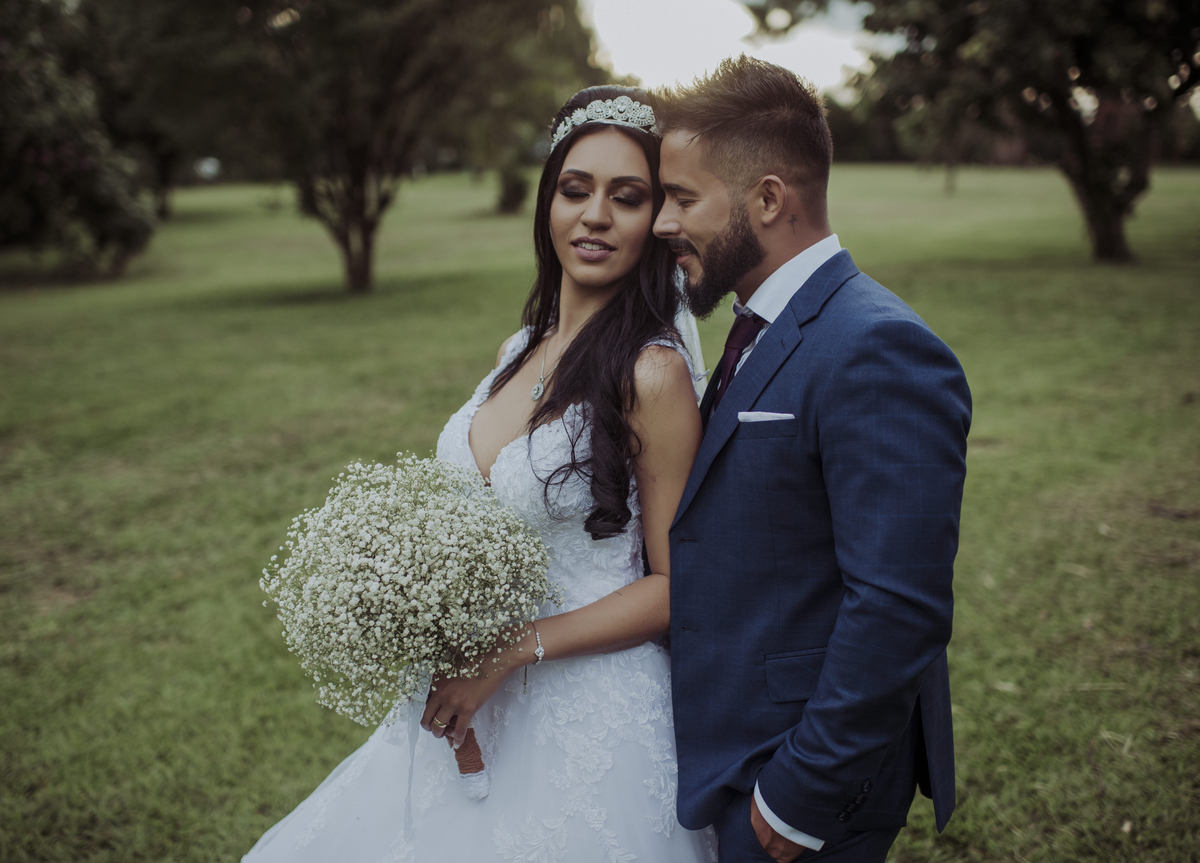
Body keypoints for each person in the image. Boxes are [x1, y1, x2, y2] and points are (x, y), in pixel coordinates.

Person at [242, 86, 716, 862]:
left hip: (587, 712)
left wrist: (509, 649)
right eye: (575, 190)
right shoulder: (516, 347)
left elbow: (677, 585)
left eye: (626, 198)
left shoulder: (652, 374)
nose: (595, 215)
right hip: (458, 705)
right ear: (547, 205)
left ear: (655, 224)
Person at [654, 58, 972, 862]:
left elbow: (899, 604)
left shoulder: (877, 347)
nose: (661, 222)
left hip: (798, 780)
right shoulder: (754, 322)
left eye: (683, 198)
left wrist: (799, 795)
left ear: (767, 198)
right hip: (734, 750)